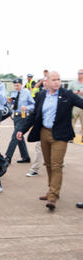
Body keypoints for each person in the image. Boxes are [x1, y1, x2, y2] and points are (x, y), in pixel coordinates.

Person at [17, 71, 83, 211]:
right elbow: (34, 115)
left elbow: (81, 103)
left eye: (58, 79)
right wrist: (22, 130)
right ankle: (51, 189)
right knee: (47, 163)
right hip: (44, 133)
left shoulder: (67, 95)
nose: (57, 82)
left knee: (56, 165)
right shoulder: (41, 96)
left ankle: (53, 196)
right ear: (47, 81)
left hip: (60, 135)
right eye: (54, 79)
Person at [5, 78, 35, 164]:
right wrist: (9, 102)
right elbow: (10, 104)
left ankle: (8, 157)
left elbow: (33, 105)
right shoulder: (13, 93)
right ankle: (25, 157)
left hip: (23, 116)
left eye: (17, 85)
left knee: (15, 136)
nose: (16, 87)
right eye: (15, 85)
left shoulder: (26, 93)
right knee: (19, 136)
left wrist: (27, 108)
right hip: (16, 116)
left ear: (21, 84)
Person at [26, 77, 49, 177]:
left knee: (53, 147)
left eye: (47, 81)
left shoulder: (61, 94)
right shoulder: (41, 94)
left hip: (56, 128)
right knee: (39, 147)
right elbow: (35, 113)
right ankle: (34, 169)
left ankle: (58, 163)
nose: (45, 83)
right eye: (44, 81)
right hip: (43, 126)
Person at [68, 69, 83, 142]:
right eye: (79, 73)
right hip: (75, 105)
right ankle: (70, 137)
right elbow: (68, 92)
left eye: (81, 73)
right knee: (72, 121)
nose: (79, 74)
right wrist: (76, 92)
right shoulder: (73, 83)